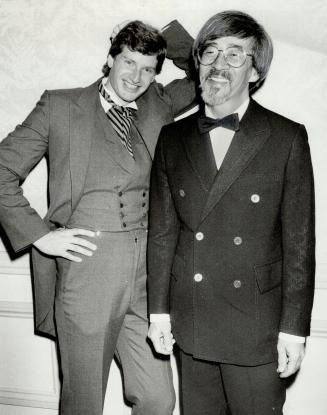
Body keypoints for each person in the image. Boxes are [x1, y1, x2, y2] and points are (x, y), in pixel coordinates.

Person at [0, 20, 195, 415]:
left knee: (159, 399)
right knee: (85, 402)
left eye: (147, 68)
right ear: (109, 58)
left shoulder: (159, 102)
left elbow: (201, 71)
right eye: (128, 62)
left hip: (147, 274)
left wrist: (165, 35)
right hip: (88, 273)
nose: (136, 77)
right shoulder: (60, 106)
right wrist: (40, 235)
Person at [147, 10, 315, 415]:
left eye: (235, 55)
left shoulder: (286, 137)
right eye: (210, 52)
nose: (219, 65)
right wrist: (159, 311)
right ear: (198, 62)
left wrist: (294, 330)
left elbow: (299, 244)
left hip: (256, 327)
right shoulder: (172, 138)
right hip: (194, 320)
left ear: (256, 71)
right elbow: (163, 234)